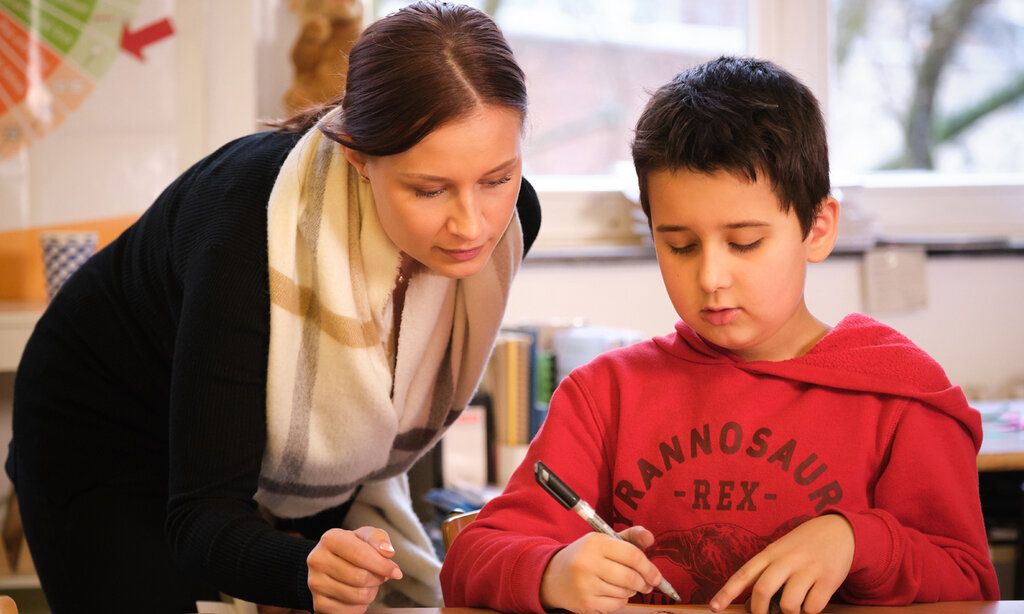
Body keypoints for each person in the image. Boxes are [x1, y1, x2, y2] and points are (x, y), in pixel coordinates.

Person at [7, 3, 540, 613]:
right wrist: (297, 566)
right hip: (105, 424)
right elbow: (201, 515)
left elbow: (359, 407)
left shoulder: (512, 223)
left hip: (258, 446)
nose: (472, 224)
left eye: (497, 178)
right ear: (358, 159)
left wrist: (310, 560)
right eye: (429, 189)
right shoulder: (250, 233)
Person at [439, 56, 999, 614]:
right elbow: (471, 560)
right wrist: (551, 573)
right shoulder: (605, 395)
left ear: (818, 227)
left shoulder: (899, 394)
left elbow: (971, 585)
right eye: (680, 245)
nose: (710, 279)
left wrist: (860, 541)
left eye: (745, 243)